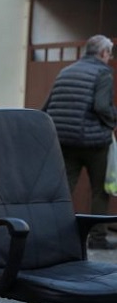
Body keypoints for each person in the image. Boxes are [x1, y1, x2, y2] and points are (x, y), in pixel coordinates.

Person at [43, 34, 117, 250]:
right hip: (93, 142)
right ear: (103, 53)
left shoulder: (66, 71)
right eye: (110, 54)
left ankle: (52, 232)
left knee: (64, 187)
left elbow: (47, 105)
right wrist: (113, 119)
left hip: (64, 140)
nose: (110, 58)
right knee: (99, 189)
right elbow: (102, 106)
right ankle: (97, 238)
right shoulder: (103, 72)